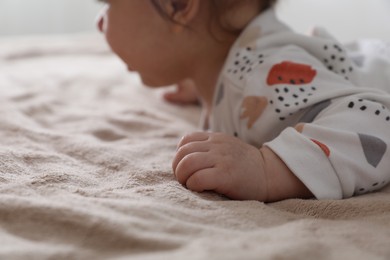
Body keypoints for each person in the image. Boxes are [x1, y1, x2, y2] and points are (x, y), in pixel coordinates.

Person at [96, 0, 390, 202]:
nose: (99, 22)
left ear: (179, 5)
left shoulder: (259, 76)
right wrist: (203, 87)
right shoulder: (236, 73)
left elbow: (379, 125)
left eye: (108, 5)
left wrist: (267, 168)